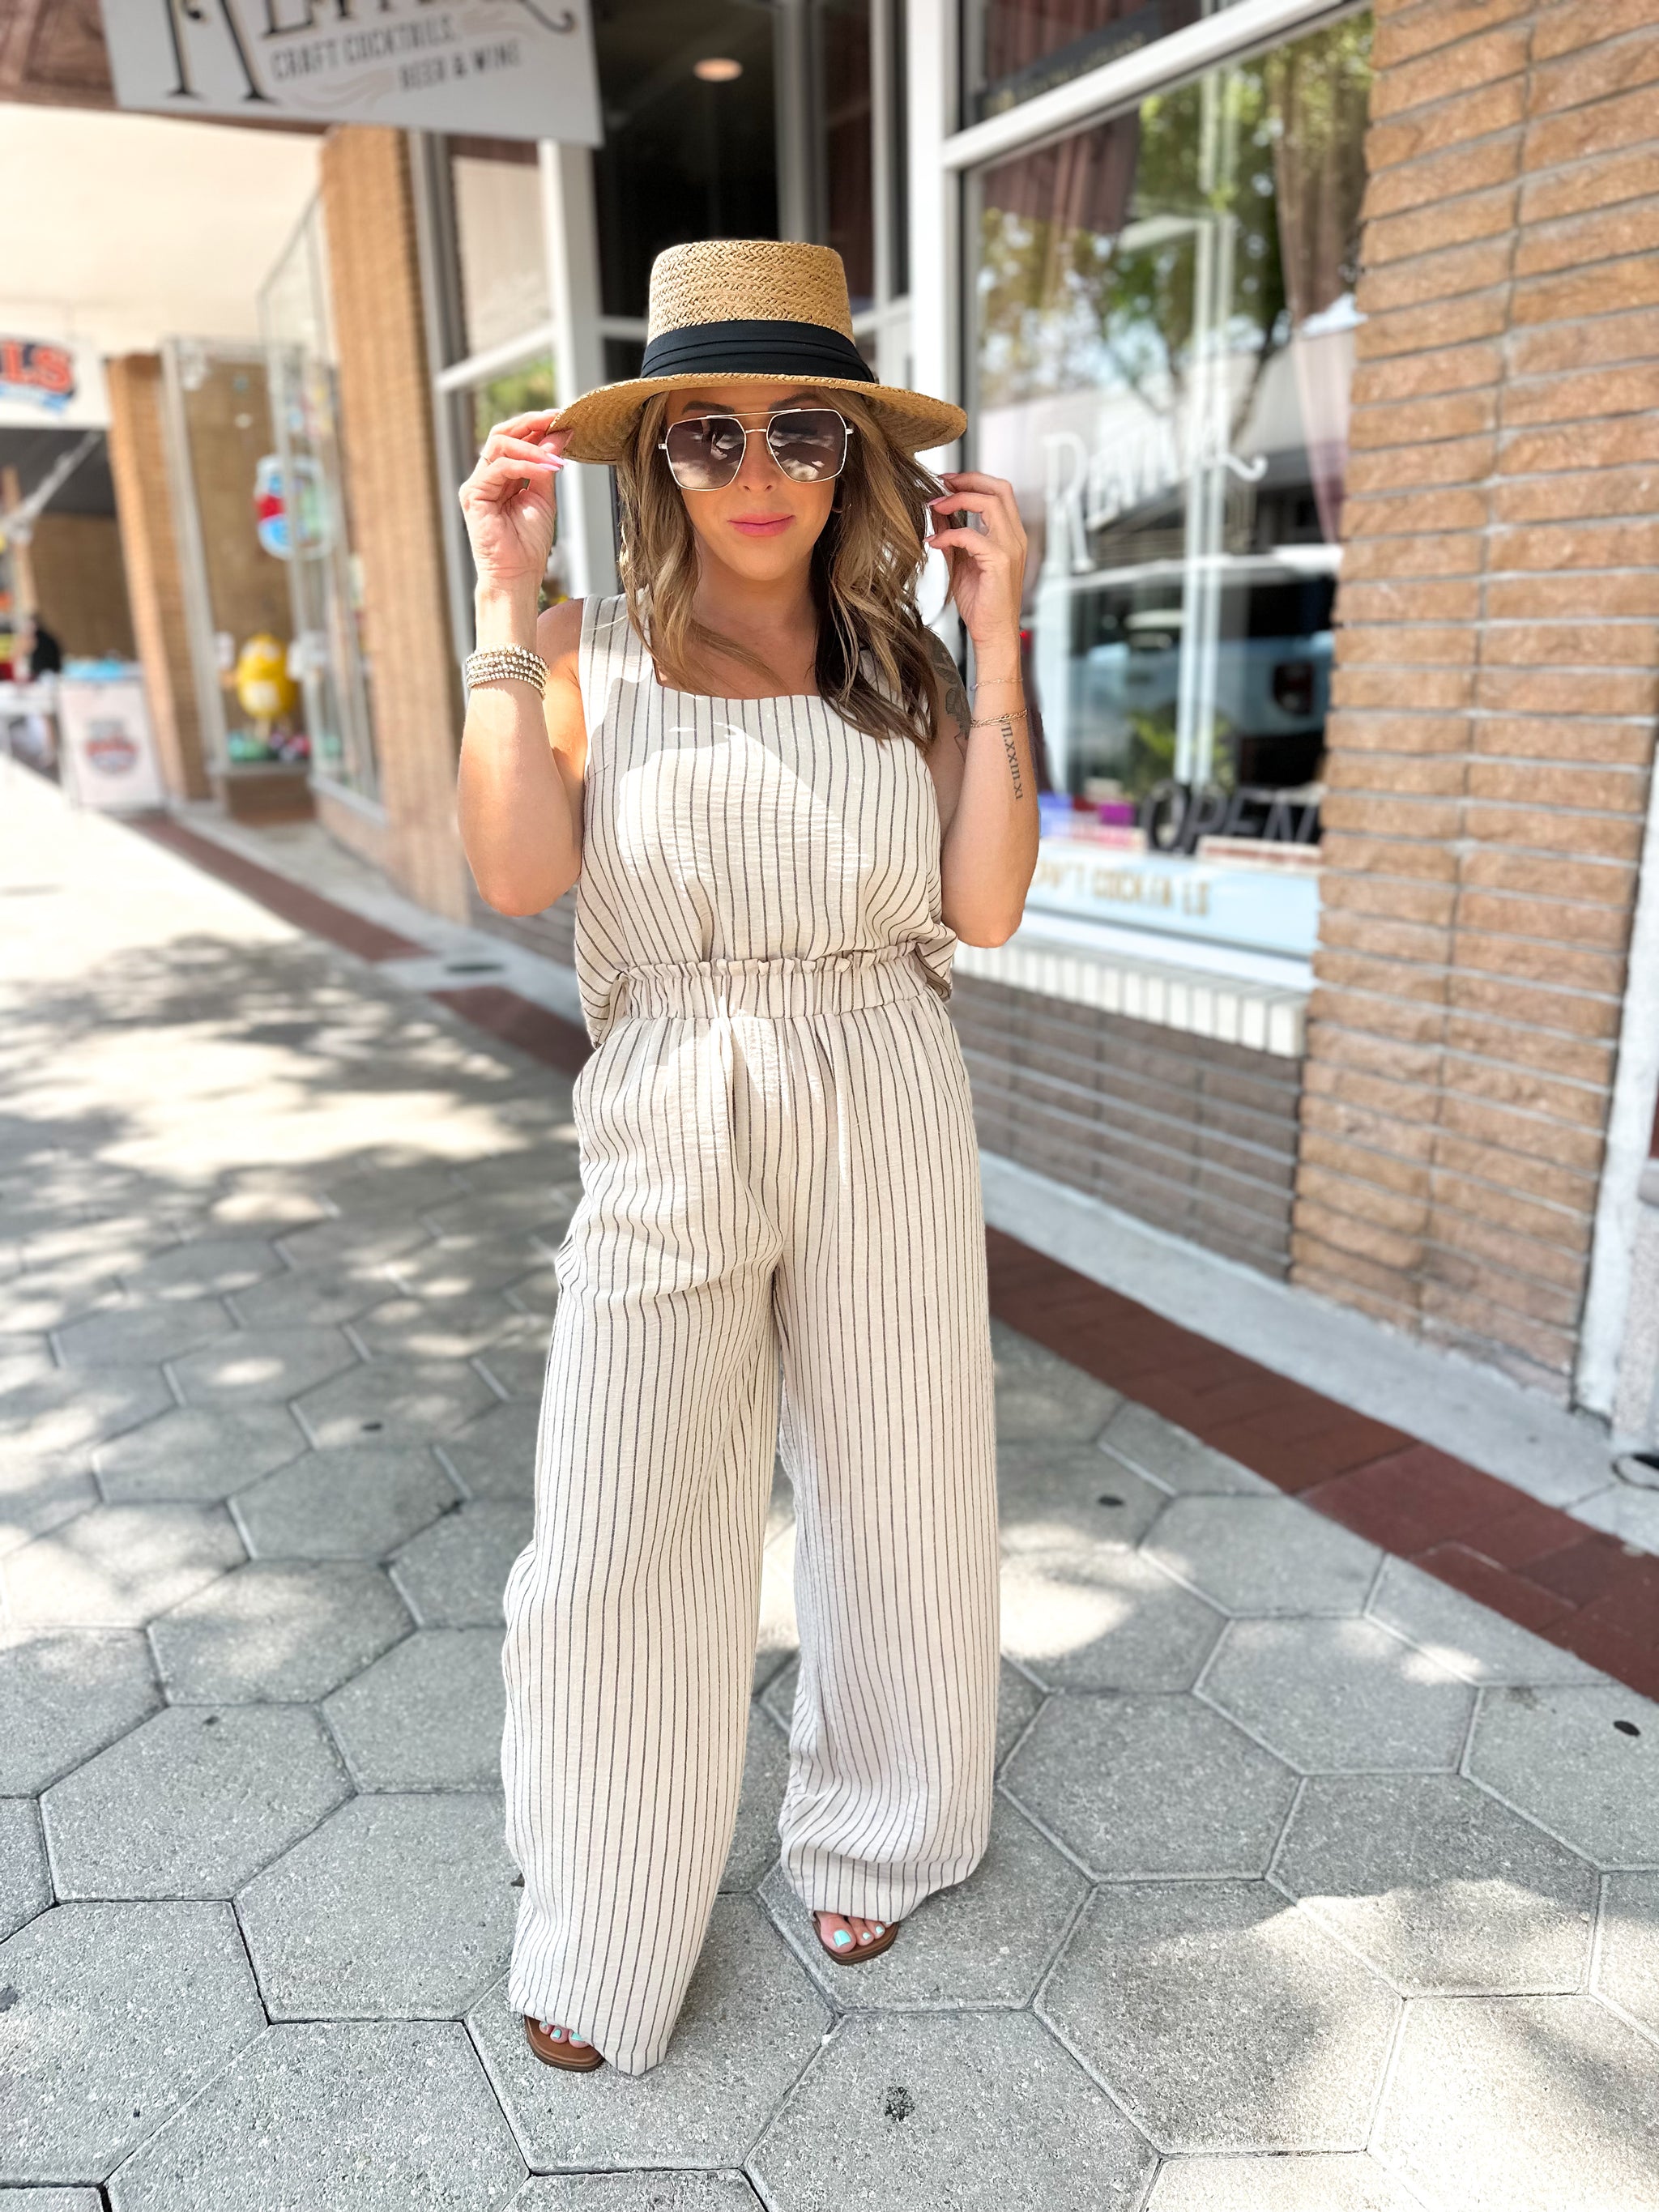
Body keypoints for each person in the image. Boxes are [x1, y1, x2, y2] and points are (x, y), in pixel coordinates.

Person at [455, 237, 1038, 2079]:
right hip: (671, 1093)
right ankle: (607, 1907)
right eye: (707, 432)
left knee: (902, 1476)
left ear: (856, 456)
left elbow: (987, 907)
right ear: (657, 460)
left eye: (803, 429)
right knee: (617, 1517)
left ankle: (884, 1823)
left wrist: (1001, 641)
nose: (759, 470)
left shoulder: (901, 669)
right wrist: (503, 595)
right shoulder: (588, 658)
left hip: (885, 1080)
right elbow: (516, 872)